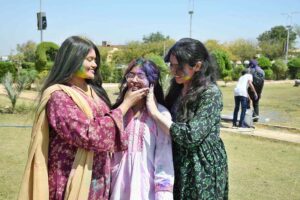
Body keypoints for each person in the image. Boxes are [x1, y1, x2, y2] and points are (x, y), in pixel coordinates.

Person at [18, 36, 148, 200]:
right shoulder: (59, 96)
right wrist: (126, 105)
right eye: (90, 59)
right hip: (71, 177)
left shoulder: (94, 92)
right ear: (73, 59)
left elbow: (108, 123)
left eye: (95, 60)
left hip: (98, 179)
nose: (95, 64)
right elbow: (89, 134)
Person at [146, 38, 228, 200]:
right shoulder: (177, 89)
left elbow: (191, 136)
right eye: (171, 65)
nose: (173, 71)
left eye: (179, 67)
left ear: (197, 66)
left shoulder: (210, 93)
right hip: (176, 162)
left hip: (200, 167)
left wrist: (155, 113)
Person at [110, 58, 174, 200]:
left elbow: (164, 161)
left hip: (146, 190)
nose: (134, 80)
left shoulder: (161, 115)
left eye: (141, 75)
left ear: (153, 81)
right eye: (130, 75)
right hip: (117, 187)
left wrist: (163, 195)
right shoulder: (118, 112)